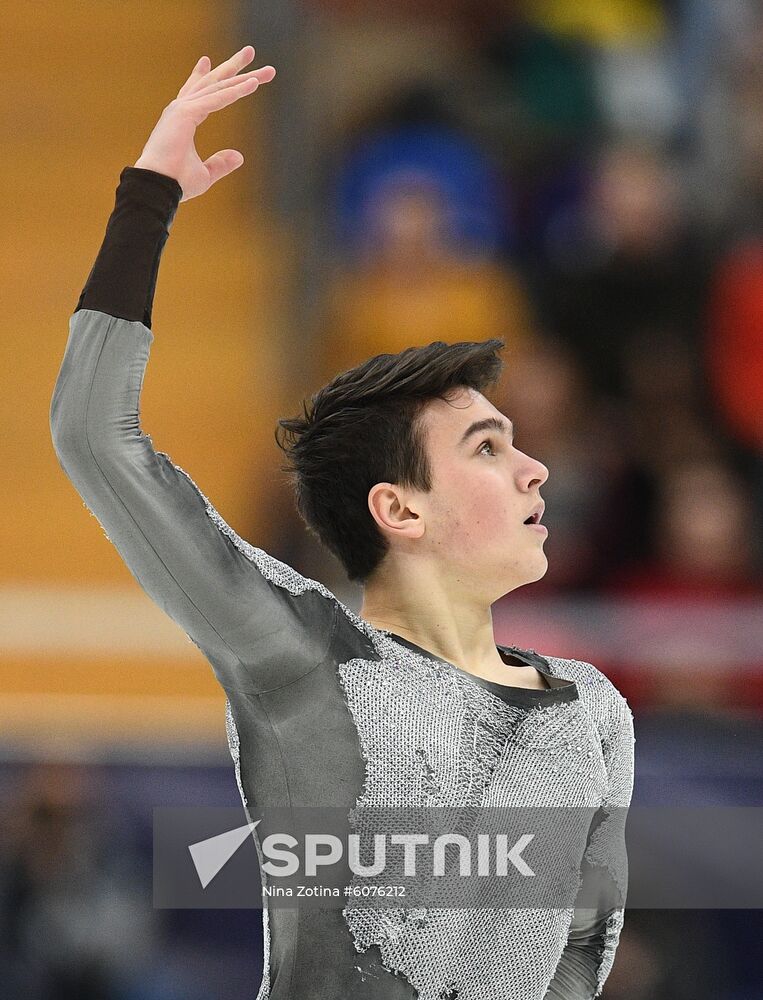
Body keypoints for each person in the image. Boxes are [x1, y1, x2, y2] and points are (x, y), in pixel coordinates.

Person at [50, 45, 635, 1000]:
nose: (534, 466)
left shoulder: (595, 715)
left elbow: (574, 964)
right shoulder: (305, 663)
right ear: (397, 508)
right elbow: (91, 435)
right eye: (487, 448)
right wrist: (149, 193)